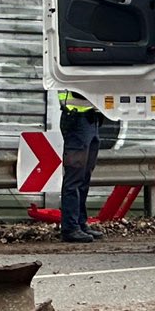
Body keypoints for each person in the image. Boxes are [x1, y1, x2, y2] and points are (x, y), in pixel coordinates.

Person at [56, 90, 101, 243]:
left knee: (84, 177)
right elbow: (81, 90)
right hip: (77, 118)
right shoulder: (76, 74)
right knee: (75, 177)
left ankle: (80, 223)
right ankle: (70, 228)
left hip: (90, 119)